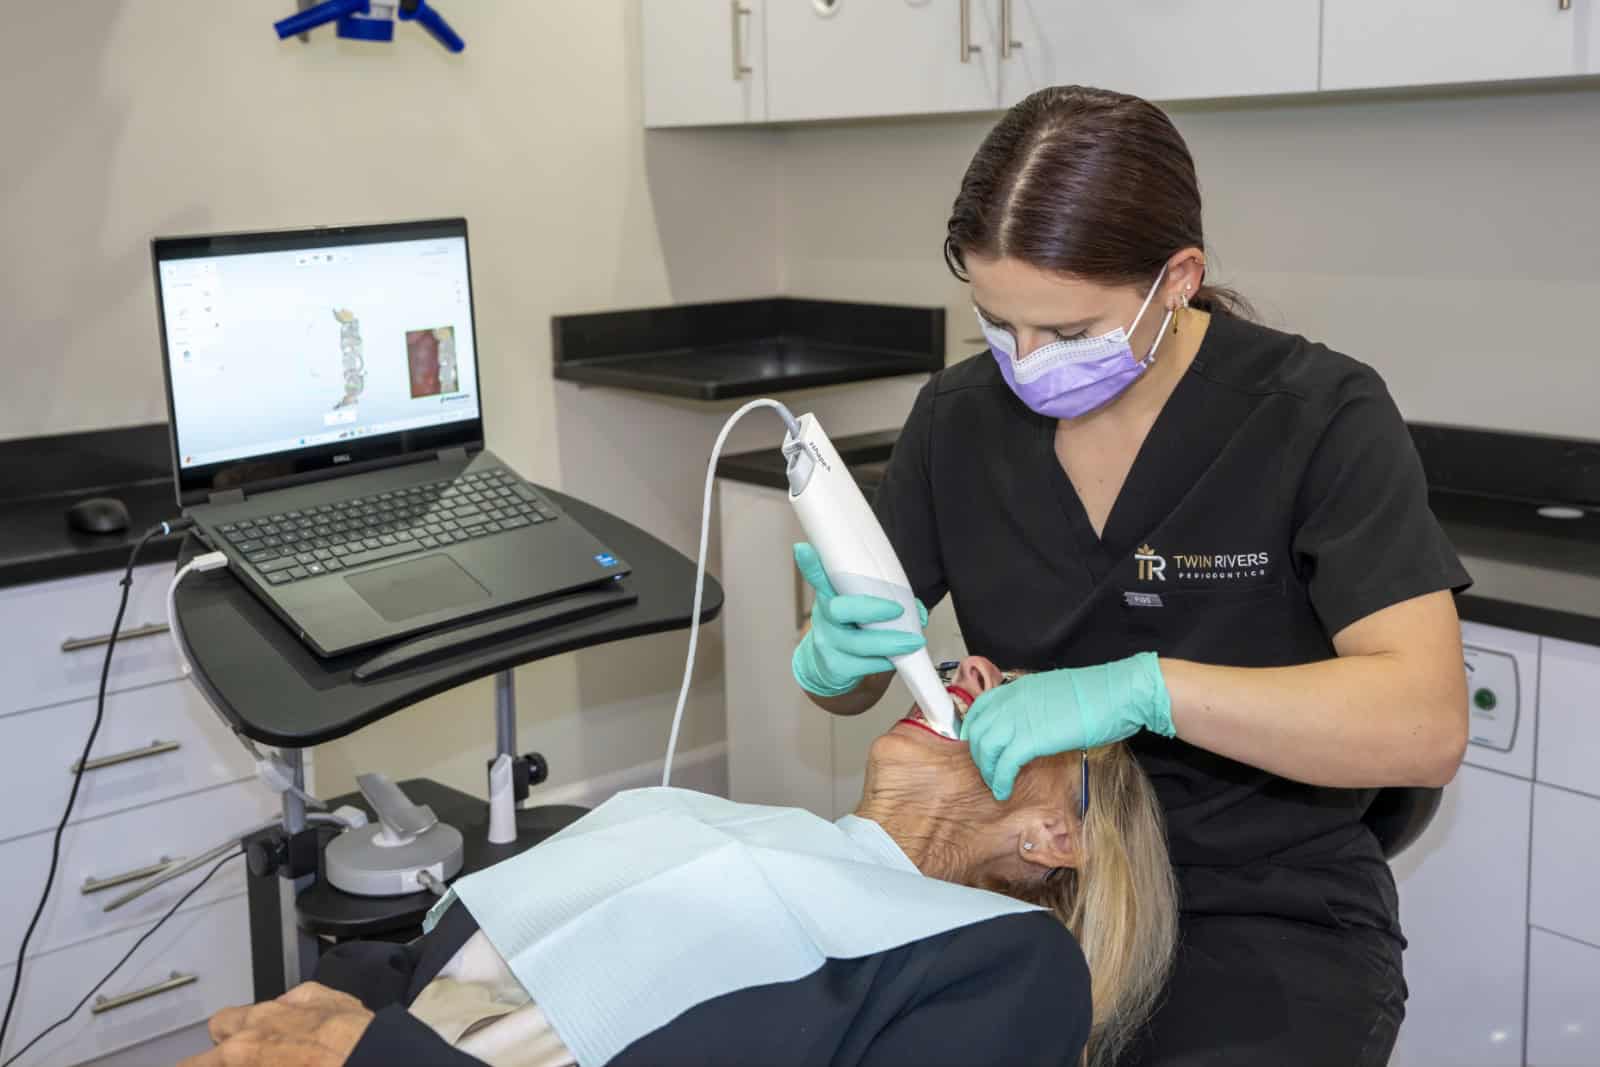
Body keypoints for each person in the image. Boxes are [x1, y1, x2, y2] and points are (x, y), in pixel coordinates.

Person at [790, 85, 1472, 1066]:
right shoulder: (959, 417)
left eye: (1067, 333)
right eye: (995, 321)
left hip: (1254, 904)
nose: (1024, 364)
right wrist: (832, 652)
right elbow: (867, 673)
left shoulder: (1316, 416)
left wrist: (1141, 690)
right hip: (1023, 887)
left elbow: (1424, 723)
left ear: (1177, 278)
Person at [181, 657, 1176, 1067]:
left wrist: (379, 1052)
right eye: (985, 666)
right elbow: (456, 947)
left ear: (1057, 836)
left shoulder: (1010, 961)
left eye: (1027, 703)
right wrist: (324, 1007)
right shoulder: (705, 819)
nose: (974, 673)